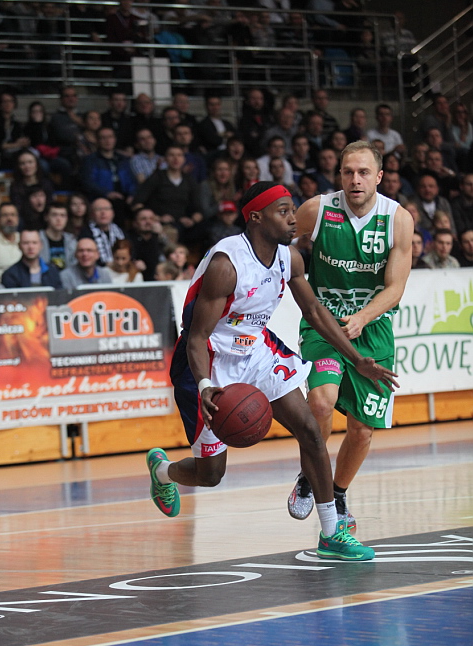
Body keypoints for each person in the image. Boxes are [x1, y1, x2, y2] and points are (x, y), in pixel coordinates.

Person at [146, 181, 399, 561]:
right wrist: (204, 385)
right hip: (210, 360)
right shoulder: (226, 265)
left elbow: (314, 311)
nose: (293, 219)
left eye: (293, 210)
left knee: (310, 429)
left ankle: (332, 532)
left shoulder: (290, 258)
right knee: (211, 474)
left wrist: (356, 357)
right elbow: (196, 337)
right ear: (256, 218)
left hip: (257, 351)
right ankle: (163, 471)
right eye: (283, 212)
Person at [291, 141, 412, 532]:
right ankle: (311, 475)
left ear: (379, 177)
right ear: (339, 175)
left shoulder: (398, 219)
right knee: (320, 402)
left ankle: (338, 493)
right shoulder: (317, 210)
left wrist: (361, 317)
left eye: (363, 173)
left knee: (362, 431)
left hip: (372, 330)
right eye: (348, 172)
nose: (355, 180)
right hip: (324, 325)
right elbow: (278, 244)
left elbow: (395, 289)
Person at [79, 197, 126, 267]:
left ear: (113, 213)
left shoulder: (120, 231)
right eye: (99, 209)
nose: (103, 213)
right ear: (92, 214)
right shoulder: (85, 233)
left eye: (106, 209)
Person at [39, 201, 77, 271]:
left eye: (62, 215)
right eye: (54, 215)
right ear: (46, 217)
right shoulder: (37, 239)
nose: (59, 219)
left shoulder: (72, 240)